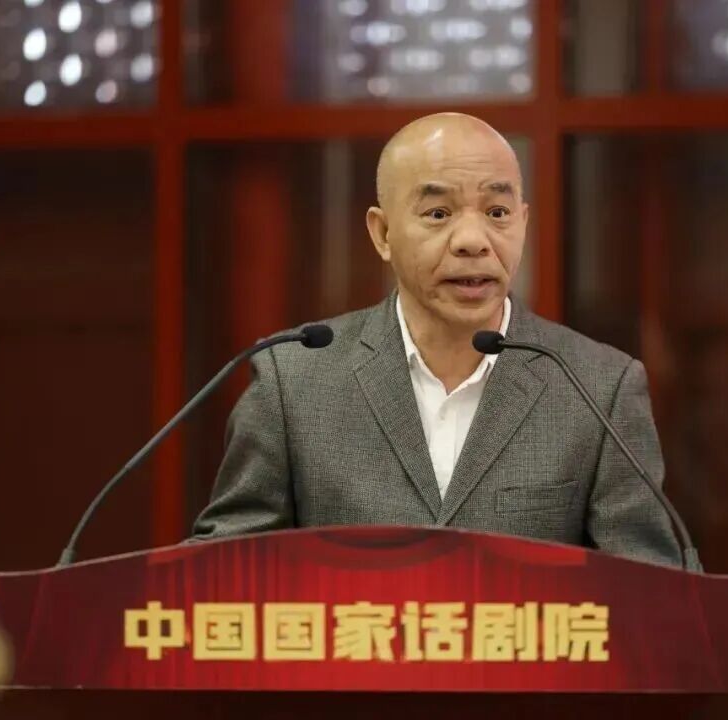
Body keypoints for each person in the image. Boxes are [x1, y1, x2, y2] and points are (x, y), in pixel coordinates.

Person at [192, 112, 683, 567]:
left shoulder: (599, 386)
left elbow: (651, 590)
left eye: (497, 212)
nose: (473, 240)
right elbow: (225, 570)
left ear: (523, 223)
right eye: (438, 214)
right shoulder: (294, 379)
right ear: (382, 233)